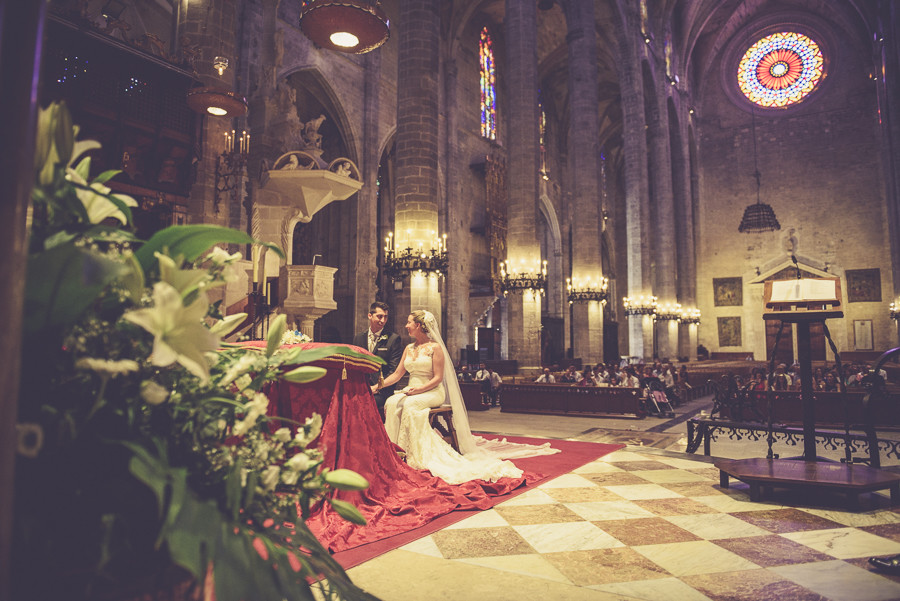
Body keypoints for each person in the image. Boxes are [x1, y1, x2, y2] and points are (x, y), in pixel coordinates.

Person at [376, 310, 559, 484]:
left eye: (409, 322)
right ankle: (392, 450)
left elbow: (438, 378)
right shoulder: (409, 348)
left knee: (410, 406)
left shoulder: (435, 348)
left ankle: (414, 452)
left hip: (432, 391)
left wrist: (420, 389)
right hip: (412, 389)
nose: (406, 325)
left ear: (419, 325)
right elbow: (397, 374)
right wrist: (377, 386)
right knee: (391, 402)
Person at [352, 301, 403, 419]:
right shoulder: (358, 338)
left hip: (382, 391)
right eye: (379, 316)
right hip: (361, 387)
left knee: (364, 404)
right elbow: (355, 365)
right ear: (370, 315)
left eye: (385, 317)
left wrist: (377, 387)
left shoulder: (393, 339)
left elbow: (393, 370)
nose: (383, 320)